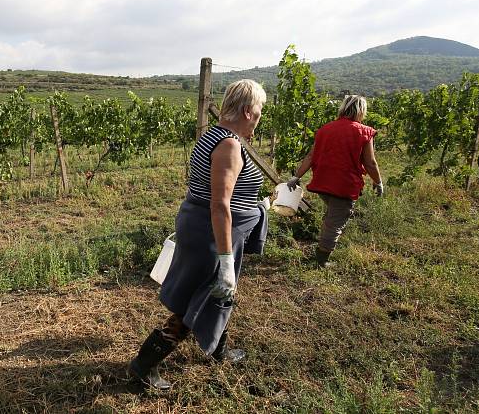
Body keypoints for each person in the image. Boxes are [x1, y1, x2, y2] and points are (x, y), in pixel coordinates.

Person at [129, 79, 267, 390]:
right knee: (200, 300)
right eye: (258, 112)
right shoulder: (229, 145)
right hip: (213, 234)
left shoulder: (214, 135)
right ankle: (144, 364)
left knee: (219, 294)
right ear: (247, 111)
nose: (259, 118)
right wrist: (226, 259)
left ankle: (218, 347)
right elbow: (220, 205)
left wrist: (257, 205)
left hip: (208, 229)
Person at [287, 94, 383, 267]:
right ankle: (321, 260)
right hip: (344, 185)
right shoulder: (364, 131)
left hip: (323, 183)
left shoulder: (325, 129)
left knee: (332, 215)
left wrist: (296, 176)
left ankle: (322, 247)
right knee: (335, 223)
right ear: (361, 111)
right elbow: (370, 162)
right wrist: (378, 181)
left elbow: (310, 156)